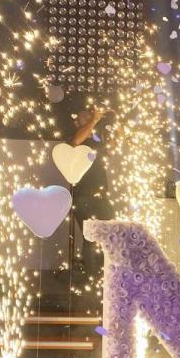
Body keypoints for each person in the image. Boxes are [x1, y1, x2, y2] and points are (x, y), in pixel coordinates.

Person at [64, 97, 114, 277]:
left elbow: (112, 147)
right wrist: (94, 120)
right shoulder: (73, 139)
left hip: (101, 195)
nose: (88, 117)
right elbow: (76, 142)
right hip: (83, 197)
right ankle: (93, 278)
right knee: (91, 238)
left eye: (89, 115)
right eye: (84, 116)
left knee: (110, 235)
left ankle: (105, 276)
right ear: (76, 122)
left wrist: (118, 127)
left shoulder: (96, 140)